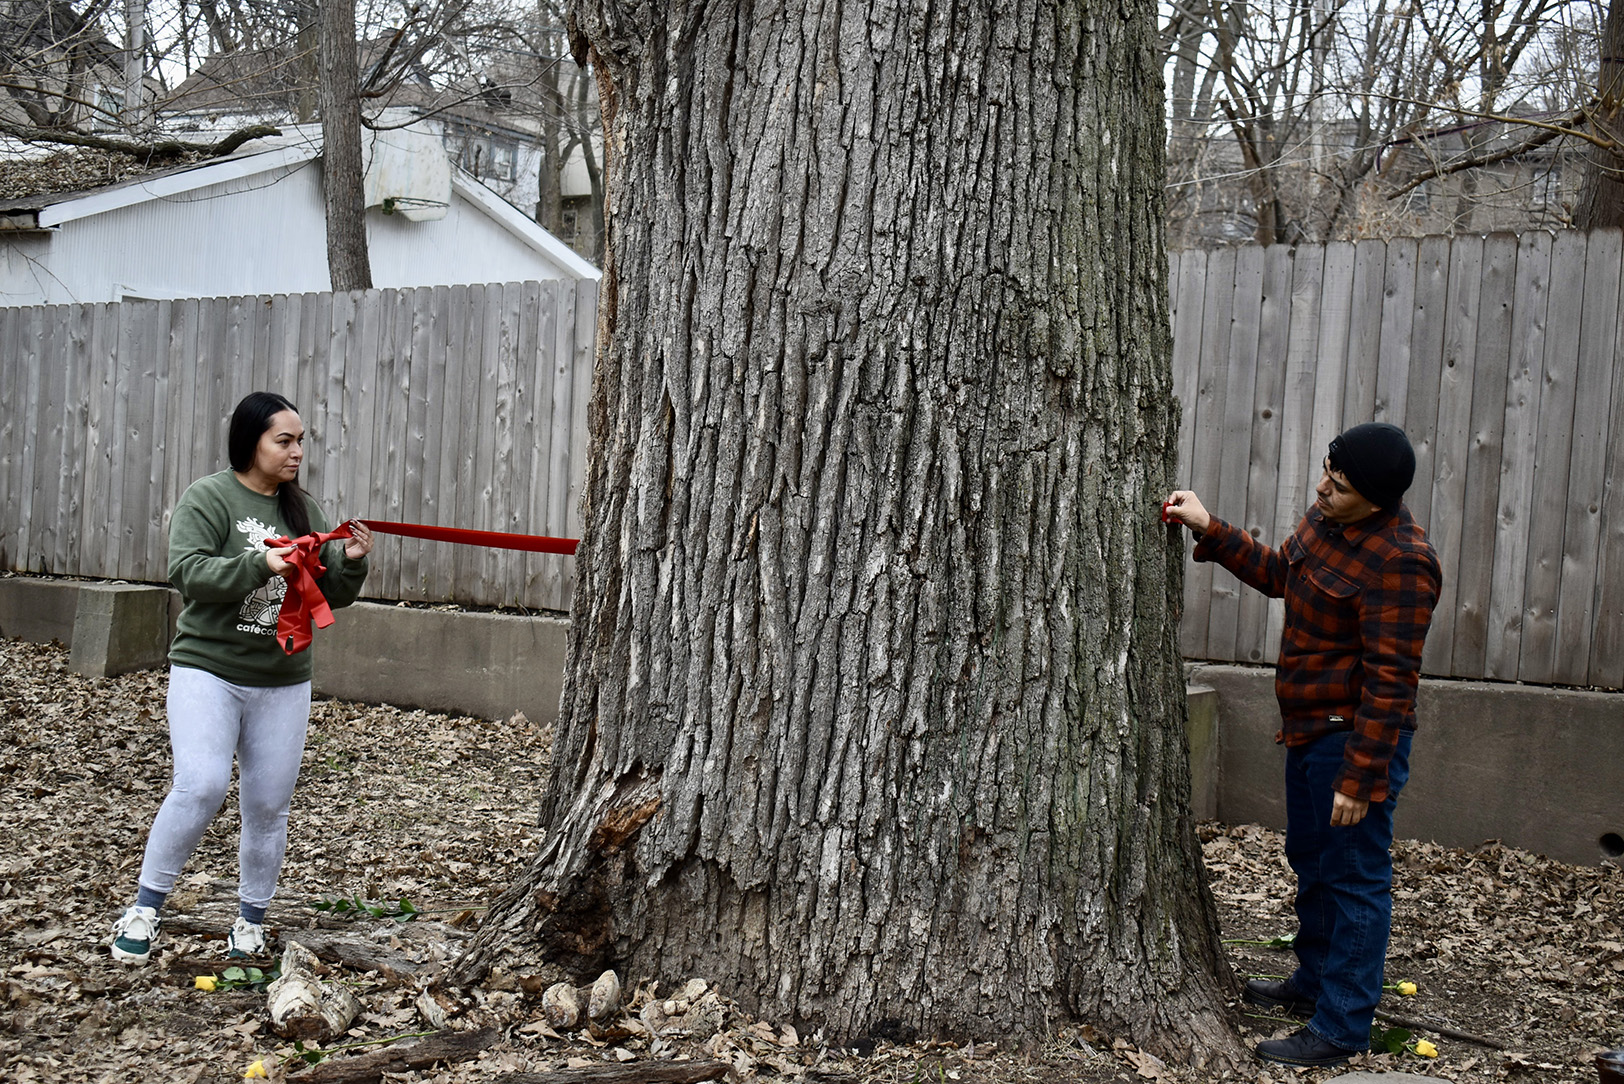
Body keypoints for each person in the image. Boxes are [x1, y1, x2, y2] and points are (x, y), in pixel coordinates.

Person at [1164, 422, 1441, 1067]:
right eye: (1325, 471)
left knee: (1354, 879)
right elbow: (1279, 572)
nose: (1322, 489)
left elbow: (1392, 681)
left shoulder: (1402, 560)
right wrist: (1210, 527)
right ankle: (1313, 983)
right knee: (1312, 862)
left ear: (1375, 499)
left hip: (1353, 745)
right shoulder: (1327, 523)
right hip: (1309, 730)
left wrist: (1360, 777)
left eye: (1338, 486)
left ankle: (1343, 1027)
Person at [109, 392, 373, 964]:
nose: (297, 451)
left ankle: (250, 921)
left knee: (268, 805)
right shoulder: (209, 497)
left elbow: (332, 595)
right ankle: (145, 908)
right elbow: (189, 573)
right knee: (201, 784)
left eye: (301, 440)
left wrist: (351, 560)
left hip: (283, 678)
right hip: (209, 668)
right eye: (285, 440)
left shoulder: (305, 510)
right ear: (250, 441)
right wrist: (262, 562)